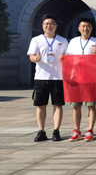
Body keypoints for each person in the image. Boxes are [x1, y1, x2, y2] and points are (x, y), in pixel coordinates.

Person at [27, 14, 69, 142]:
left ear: (56, 26)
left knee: (58, 105)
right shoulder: (36, 40)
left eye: (51, 24)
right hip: (41, 77)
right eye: (46, 24)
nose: (48, 26)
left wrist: (64, 58)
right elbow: (31, 56)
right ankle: (41, 131)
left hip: (58, 77)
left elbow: (69, 57)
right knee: (41, 105)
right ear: (42, 26)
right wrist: (36, 58)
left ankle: (56, 131)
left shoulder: (62, 41)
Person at [65, 18, 96, 142]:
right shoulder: (73, 42)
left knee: (91, 106)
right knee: (76, 106)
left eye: (88, 26)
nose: (85, 28)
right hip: (76, 78)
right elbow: (68, 58)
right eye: (83, 26)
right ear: (79, 28)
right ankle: (76, 130)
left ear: (91, 28)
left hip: (91, 79)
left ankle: (90, 130)